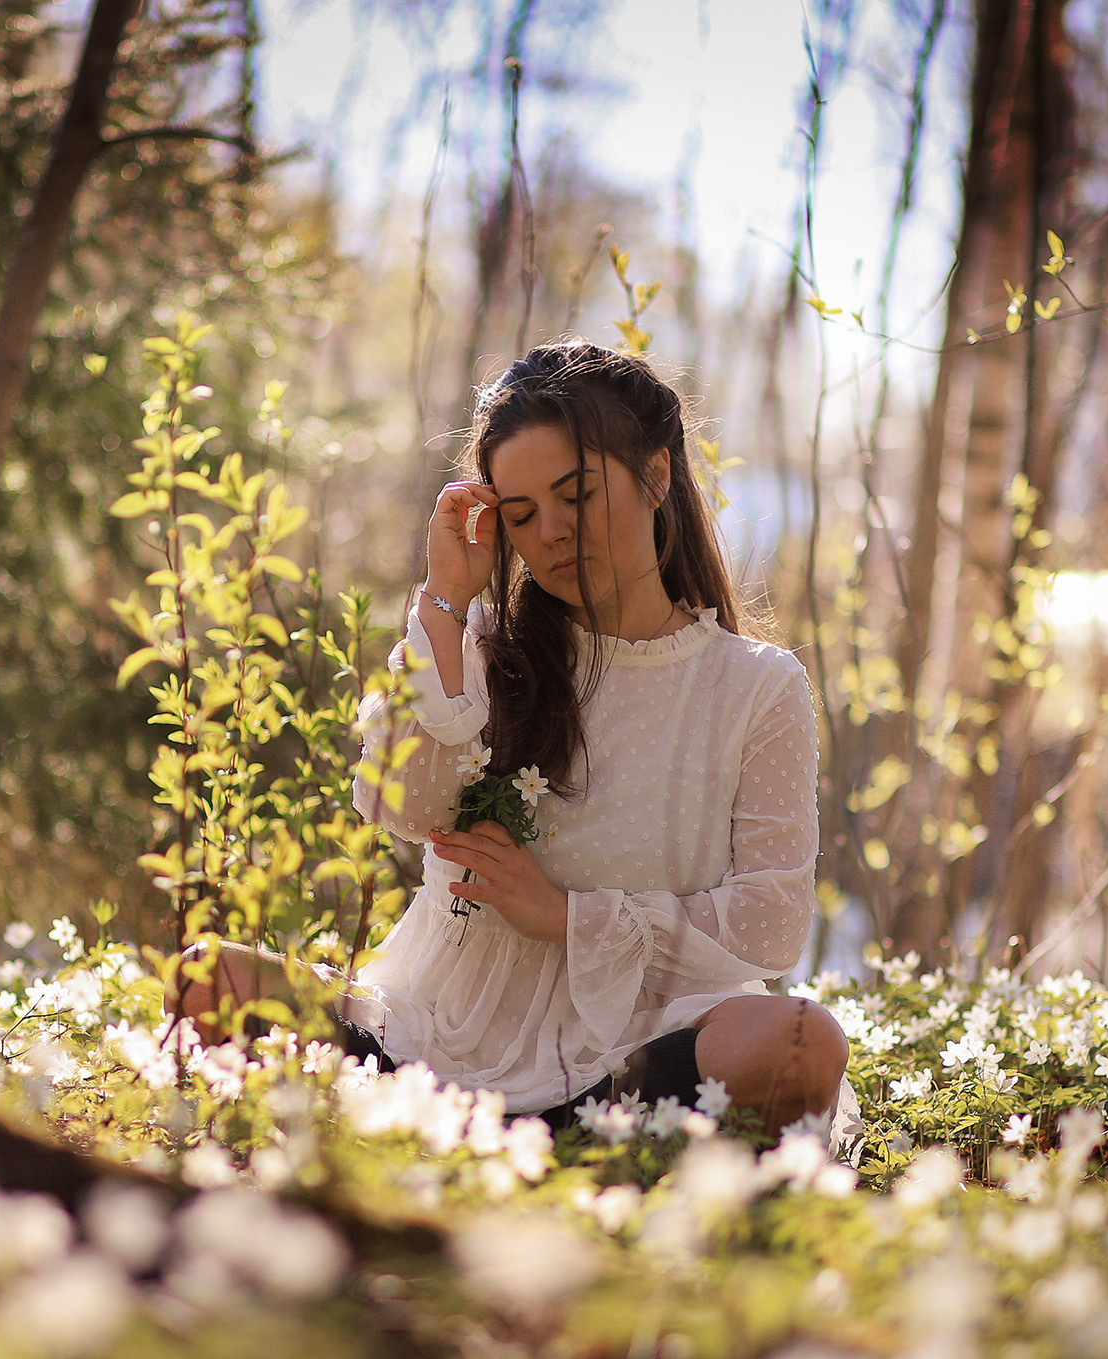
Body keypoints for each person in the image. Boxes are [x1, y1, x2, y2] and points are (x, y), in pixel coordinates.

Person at [340, 339, 857, 1147]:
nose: (550, 532)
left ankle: (592, 1142)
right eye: (520, 513)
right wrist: (443, 599)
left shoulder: (757, 688)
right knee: (208, 976)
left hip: (632, 1058)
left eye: (575, 495)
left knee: (802, 1043)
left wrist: (569, 918)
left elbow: (770, 924)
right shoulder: (478, 647)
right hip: (442, 1036)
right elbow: (398, 805)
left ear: (656, 476)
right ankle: (503, 1137)